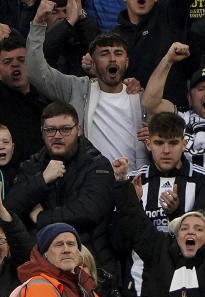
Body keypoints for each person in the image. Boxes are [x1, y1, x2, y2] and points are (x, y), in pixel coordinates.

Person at [3, 101, 116, 273]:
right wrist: (42, 180)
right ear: (42, 132)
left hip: (89, 264)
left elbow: (89, 211)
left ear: (78, 130)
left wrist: (41, 217)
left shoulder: (97, 165)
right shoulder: (32, 166)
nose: (57, 135)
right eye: (50, 130)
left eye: (65, 129)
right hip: (41, 264)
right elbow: (9, 208)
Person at [27, 14, 149, 169]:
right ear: (92, 62)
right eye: (104, 53)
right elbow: (35, 72)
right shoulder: (76, 88)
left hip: (134, 183)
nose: (112, 59)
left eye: (118, 53)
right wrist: (37, 24)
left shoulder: (141, 97)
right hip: (92, 182)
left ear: (127, 61)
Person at [142, 43, 205, 173]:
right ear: (189, 98)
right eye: (201, 89)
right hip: (184, 189)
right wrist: (168, 60)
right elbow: (150, 103)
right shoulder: (179, 117)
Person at [111, 0, 193, 108]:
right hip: (133, 114)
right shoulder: (113, 37)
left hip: (172, 114)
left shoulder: (171, 15)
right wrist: (123, 82)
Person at [0, 31, 50, 169]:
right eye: (7, 61)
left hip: (46, 175)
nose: (15, 64)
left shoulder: (47, 97)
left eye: (21, 60)